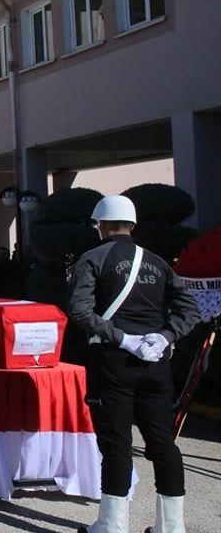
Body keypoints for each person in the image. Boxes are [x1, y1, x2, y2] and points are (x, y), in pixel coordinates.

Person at [66, 195, 199, 533]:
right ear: (133, 225)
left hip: (112, 362)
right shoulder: (158, 262)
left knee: (116, 445)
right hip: (155, 362)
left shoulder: (92, 258)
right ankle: (171, 528)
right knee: (163, 444)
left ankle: (111, 526)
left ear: (101, 226)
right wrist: (166, 337)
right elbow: (190, 311)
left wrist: (123, 338)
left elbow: (80, 311)